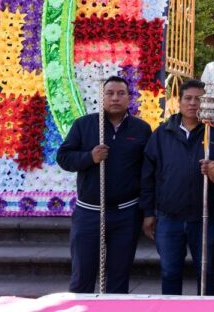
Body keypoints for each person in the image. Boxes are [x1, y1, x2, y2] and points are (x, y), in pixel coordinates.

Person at [139, 79, 214, 295]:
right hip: (169, 216)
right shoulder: (162, 133)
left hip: (207, 217)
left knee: (208, 273)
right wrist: (148, 212)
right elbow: (148, 176)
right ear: (179, 101)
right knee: (169, 272)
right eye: (188, 98)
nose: (193, 103)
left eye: (199, 99)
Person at [57, 76, 152, 294]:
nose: (115, 98)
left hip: (126, 214)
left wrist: (148, 211)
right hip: (89, 213)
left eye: (121, 93)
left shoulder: (141, 129)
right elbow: (63, 158)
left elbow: (148, 173)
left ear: (129, 97)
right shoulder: (84, 125)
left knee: (119, 277)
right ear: (102, 97)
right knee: (82, 275)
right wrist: (89, 157)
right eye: (110, 93)